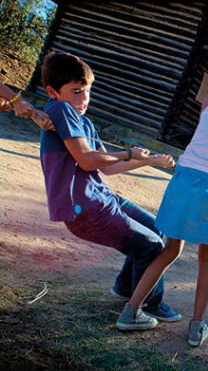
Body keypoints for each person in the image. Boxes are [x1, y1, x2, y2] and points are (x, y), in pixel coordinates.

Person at [115, 60, 208, 347]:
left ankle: (130, 311)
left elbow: (206, 142)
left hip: (183, 179)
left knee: (170, 249)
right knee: (207, 258)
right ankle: (196, 327)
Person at [39, 52, 181, 323]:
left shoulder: (85, 122)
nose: (83, 99)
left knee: (157, 229)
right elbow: (86, 159)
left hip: (103, 198)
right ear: (52, 92)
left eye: (87, 91)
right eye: (76, 91)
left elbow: (108, 167)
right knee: (151, 246)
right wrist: (128, 154)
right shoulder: (60, 110)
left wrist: (146, 160)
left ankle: (126, 288)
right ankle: (147, 305)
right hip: (85, 209)